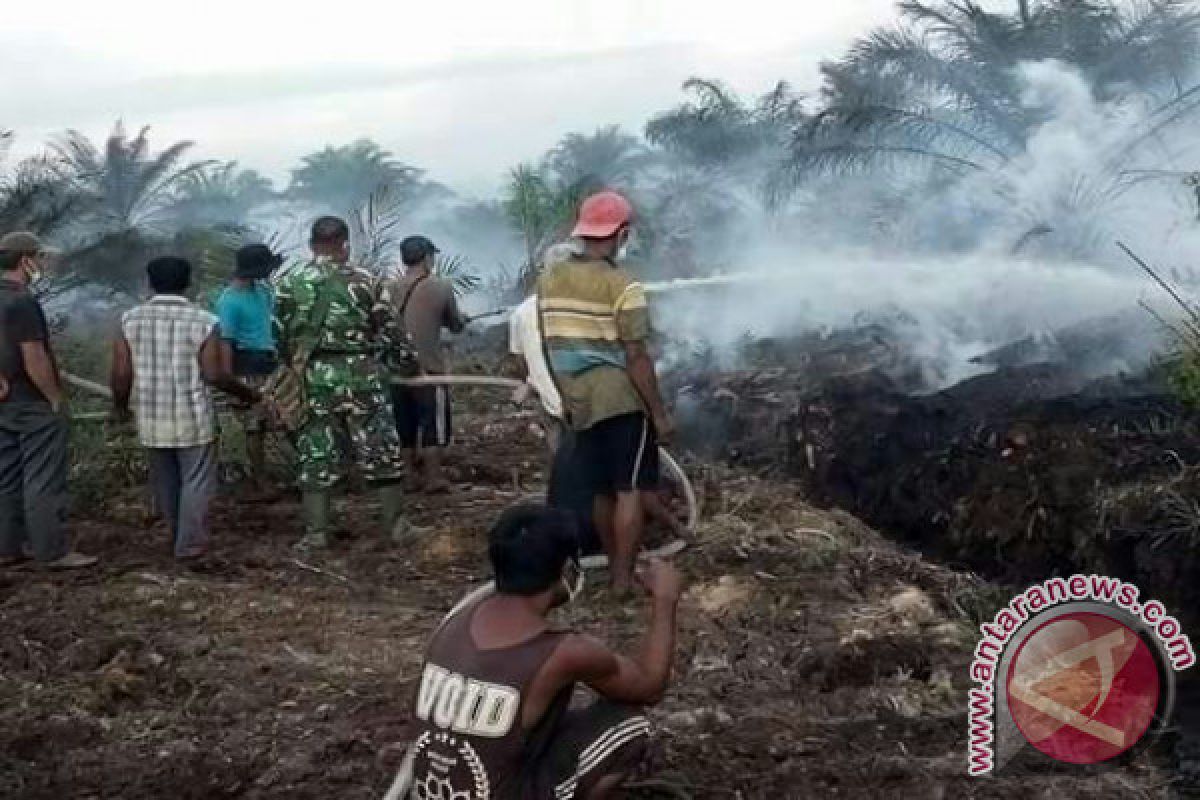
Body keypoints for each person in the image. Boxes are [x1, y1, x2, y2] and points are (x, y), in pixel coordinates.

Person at [393, 504, 683, 800]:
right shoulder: (564, 652)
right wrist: (665, 598)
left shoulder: (453, 624)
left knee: (549, 721)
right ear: (568, 570)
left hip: (430, 791)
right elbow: (649, 687)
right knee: (628, 724)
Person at [537, 191, 674, 590]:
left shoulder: (550, 279)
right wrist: (659, 414)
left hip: (578, 399)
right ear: (622, 233)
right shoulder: (623, 284)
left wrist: (563, 394)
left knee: (600, 491)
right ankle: (621, 581)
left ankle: (615, 566)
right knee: (628, 489)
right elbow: (637, 356)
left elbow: (549, 341)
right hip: (620, 400)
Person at [275, 216, 411, 550]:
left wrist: (293, 365)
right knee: (380, 446)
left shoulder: (289, 282)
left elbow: (277, 333)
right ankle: (396, 527)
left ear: (311, 245)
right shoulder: (366, 280)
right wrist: (406, 365)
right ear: (345, 244)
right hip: (362, 374)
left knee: (316, 450)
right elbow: (392, 332)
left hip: (314, 376)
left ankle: (316, 533)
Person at [111, 257, 260, 560]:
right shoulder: (204, 322)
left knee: (165, 481)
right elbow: (215, 374)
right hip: (192, 416)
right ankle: (190, 545)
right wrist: (249, 394)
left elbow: (122, 373)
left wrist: (119, 407)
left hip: (151, 416)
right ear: (188, 282)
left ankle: (175, 537)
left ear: (150, 282)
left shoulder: (129, 320)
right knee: (196, 481)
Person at [0, 232, 96, 569]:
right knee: (42, 477)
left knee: (6, 475)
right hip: (31, 402)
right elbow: (34, 356)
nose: (43, 264)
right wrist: (54, 398)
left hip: (5, 402)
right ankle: (50, 550)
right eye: (39, 258)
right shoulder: (22, 301)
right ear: (25, 260)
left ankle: (7, 547)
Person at [388, 235, 467, 493]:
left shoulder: (387, 288)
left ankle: (409, 476)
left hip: (395, 371)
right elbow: (455, 325)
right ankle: (433, 477)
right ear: (427, 258)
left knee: (404, 424)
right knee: (433, 423)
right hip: (428, 370)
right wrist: (459, 320)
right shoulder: (440, 287)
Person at [214, 243, 282, 490]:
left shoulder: (263, 290)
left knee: (276, 419)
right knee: (254, 426)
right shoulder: (229, 301)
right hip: (247, 365)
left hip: (268, 360)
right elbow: (226, 342)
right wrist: (229, 379)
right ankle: (260, 479)